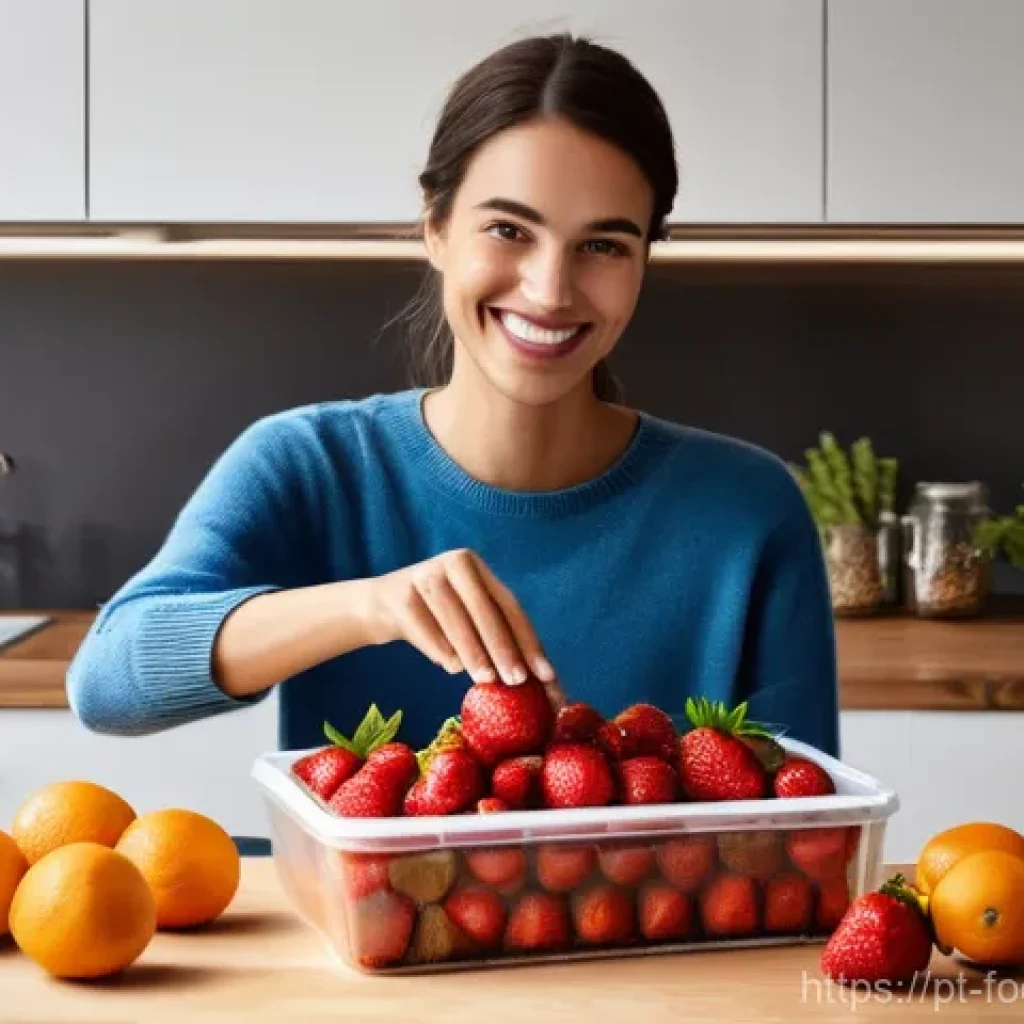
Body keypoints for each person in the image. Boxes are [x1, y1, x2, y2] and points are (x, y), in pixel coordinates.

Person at [67, 34, 840, 759]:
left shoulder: (749, 509)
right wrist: (369, 607)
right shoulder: (309, 466)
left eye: (603, 245)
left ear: (644, 261)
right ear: (435, 226)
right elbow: (106, 682)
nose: (549, 289)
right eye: (509, 229)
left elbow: (806, 836)